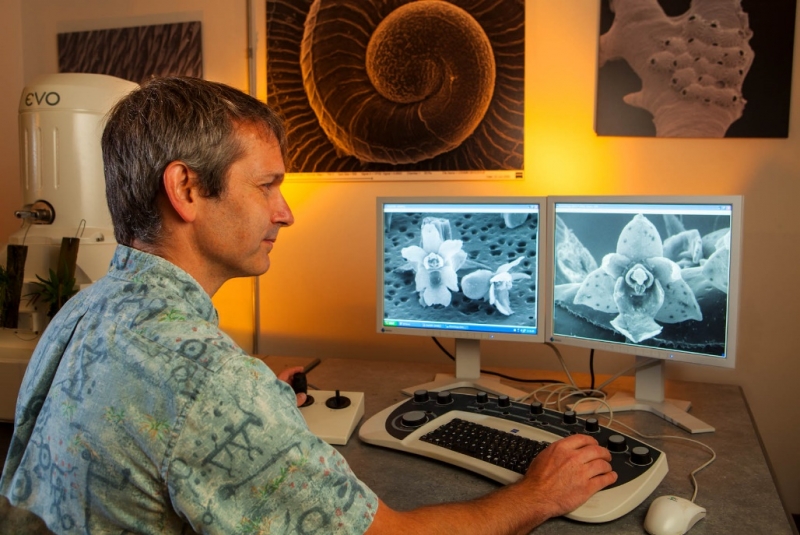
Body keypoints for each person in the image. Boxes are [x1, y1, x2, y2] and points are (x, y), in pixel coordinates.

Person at [0, 76, 616, 534]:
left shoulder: (84, 311)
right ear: (186, 189)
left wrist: (249, 391)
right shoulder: (209, 383)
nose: (285, 212)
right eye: (268, 185)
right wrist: (537, 494)